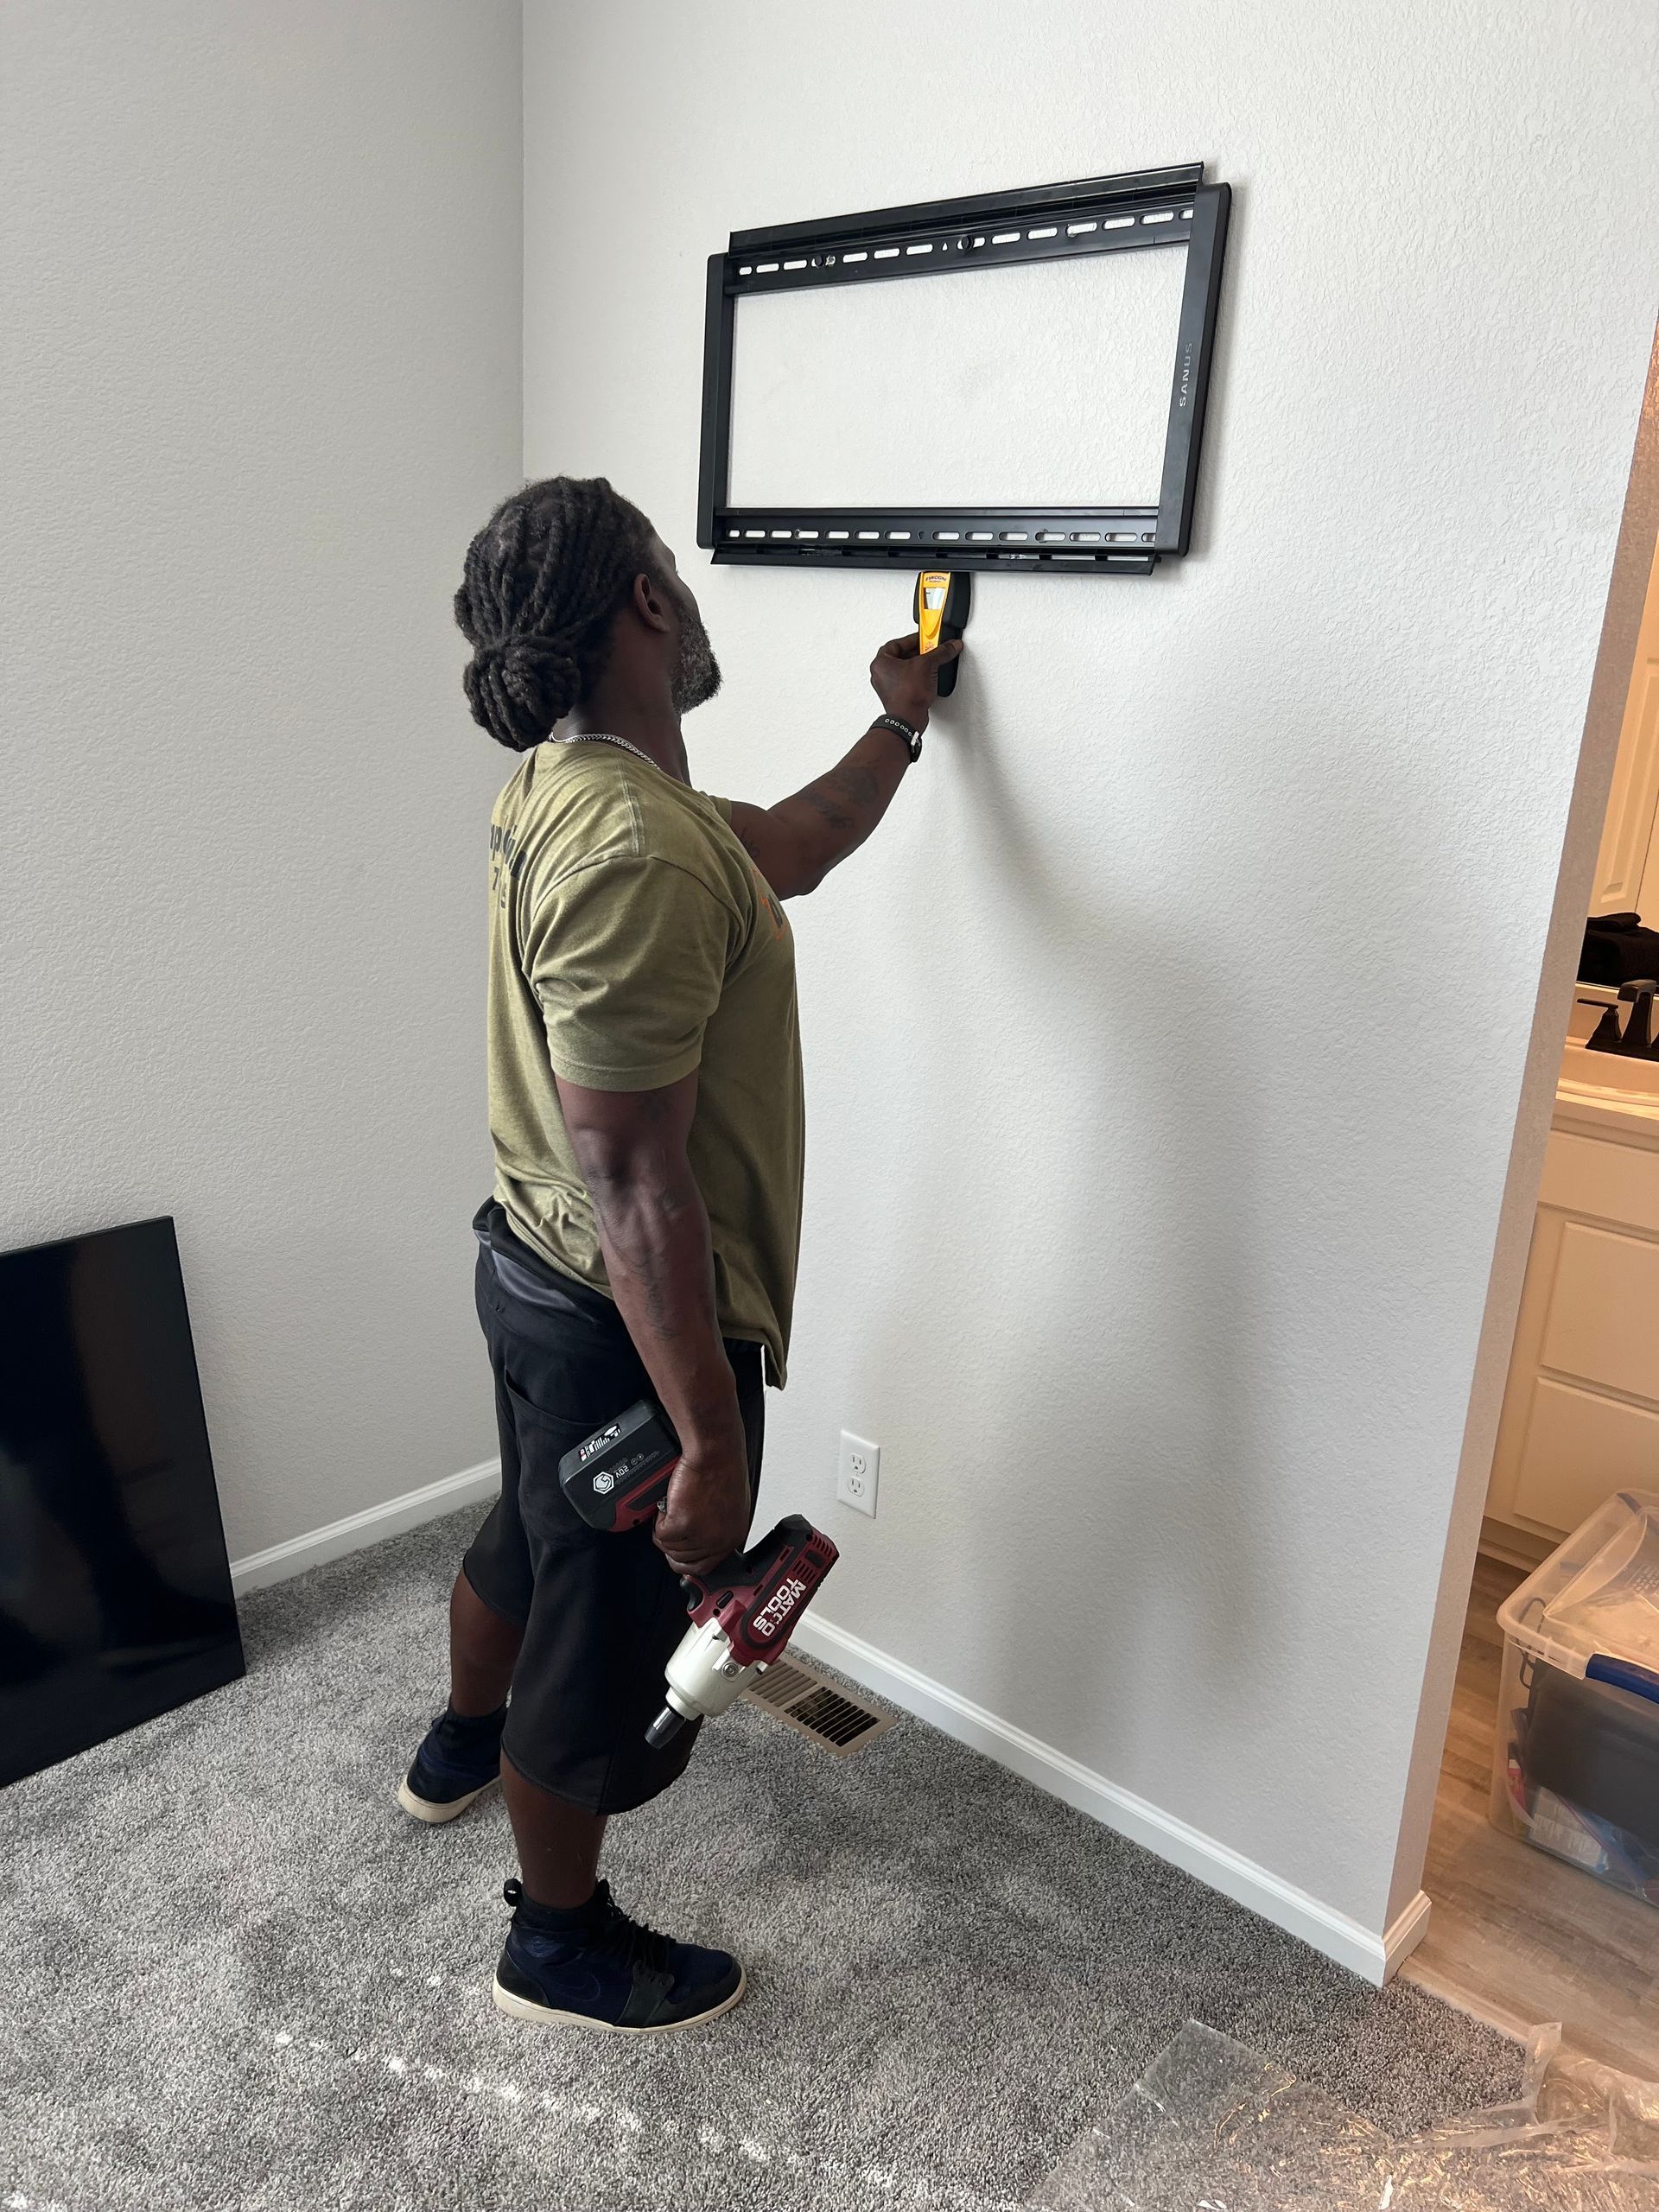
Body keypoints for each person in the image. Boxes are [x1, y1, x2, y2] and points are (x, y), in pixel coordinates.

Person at [397, 475, 961, 2035]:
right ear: (648, 598)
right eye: (672, 565)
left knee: (530, 1545)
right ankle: (555, 1941)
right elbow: (638, 1180)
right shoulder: (637, 848)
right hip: (619, 1319)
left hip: (533, 1268)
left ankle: (458, 1744)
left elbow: (793, 844)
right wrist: (708, 1441)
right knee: (595, 1649)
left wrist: (899, 723)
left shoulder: (580, 789)